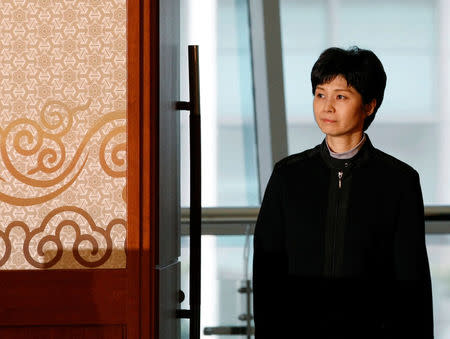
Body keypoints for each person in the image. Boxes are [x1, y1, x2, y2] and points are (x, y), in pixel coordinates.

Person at [252, 46, 434, 338]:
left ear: (369, 105)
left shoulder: (399, 181)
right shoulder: (288, 176)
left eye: (341, 96)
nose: (327, 107)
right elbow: (267, 274)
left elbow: (413, 284)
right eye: (320, 94)